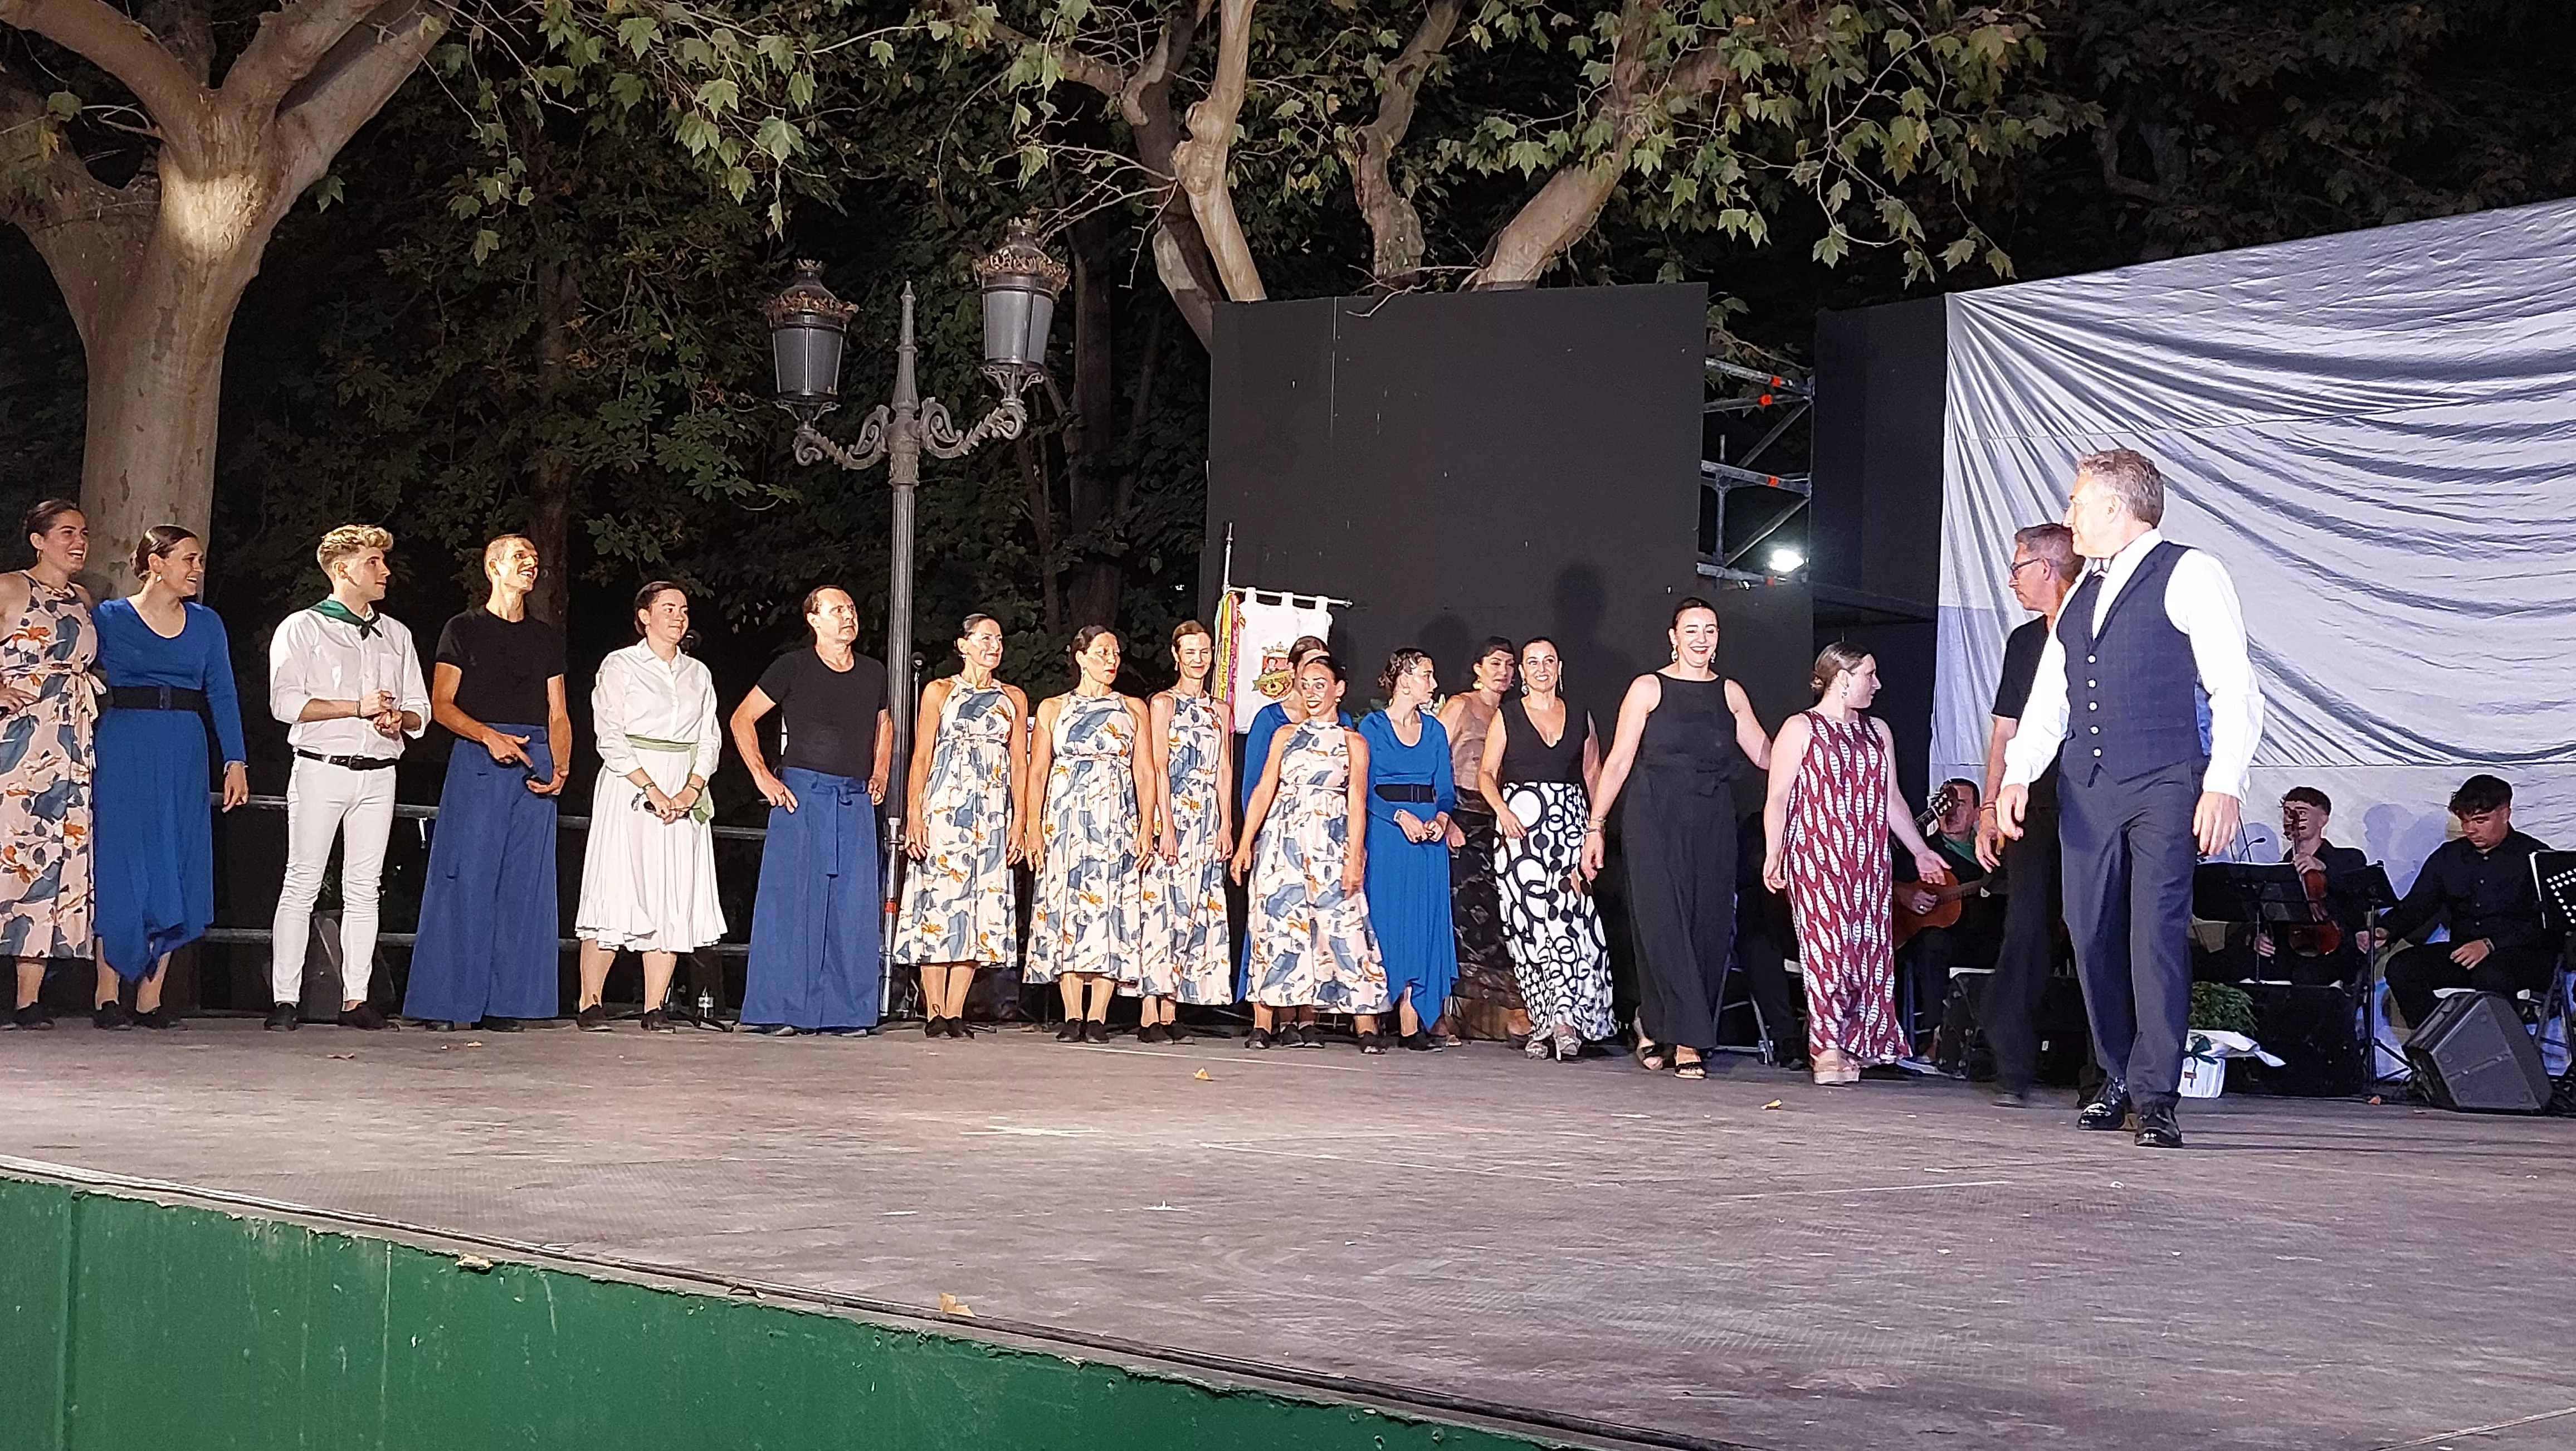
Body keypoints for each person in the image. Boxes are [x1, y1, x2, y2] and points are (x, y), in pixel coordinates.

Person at [1995, 448, 2265, 1150]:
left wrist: (2224, 782)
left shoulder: (2189, 571)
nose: (2069, 515)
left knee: (2155, 936)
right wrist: (2018, 773)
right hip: (2088, 786)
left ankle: (2155, 1093)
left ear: (2115, 507)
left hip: (2165, 780)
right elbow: (2049, 696)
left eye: (2077, 502)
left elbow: (2234, 687)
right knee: (2087, 934)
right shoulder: (2082, 588)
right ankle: (2114, 1073)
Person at [1582, 598, 1773, 1080]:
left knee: (1706, 925)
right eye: (1691, 630)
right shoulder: (1648, 687)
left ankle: (1668, 1024)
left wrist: (1813, 742)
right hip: (1653, 816)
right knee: (1661, 923)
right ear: (1673, 636)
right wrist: (1596, 826)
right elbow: (1620, 760)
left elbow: (1767, 754)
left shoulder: (1729, 693)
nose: (1701, 639)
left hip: (1711, 817)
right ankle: (1682, 1038)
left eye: (1709, 630)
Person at [265, 524, 429, 1032]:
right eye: (373, 563)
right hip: (322, 768)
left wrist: (397, 718)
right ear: (342, 570)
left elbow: (421, 711)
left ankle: (356, 998)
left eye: (383, 562)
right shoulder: (304, 627)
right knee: (303, 881)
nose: (384, 572)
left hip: (379, 773)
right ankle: (285, 998)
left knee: (365, 887)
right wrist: (356, 709)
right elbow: (285, 703)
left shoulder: (396, 634)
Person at [1763, 646, 1951, 1085]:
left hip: (1869, 860)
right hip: (1816, 856)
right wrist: (1775, 853)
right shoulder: (1800, 728)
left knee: (1865, 955)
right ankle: (1826, 1046)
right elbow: (1778, 797)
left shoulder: (1877, 731)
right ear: (1843, 678)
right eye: (1870, 674)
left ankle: (1858, 1042)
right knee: (1826, 950)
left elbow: (1891, 800)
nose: (1877, 684)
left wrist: (1920, 850)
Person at [405, 535, 571, 1030]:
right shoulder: (464, 629)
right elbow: (442, 705)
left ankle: (509, 1004)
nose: (531, 565)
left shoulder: (545, 637)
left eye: (535, 559)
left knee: (526, 885)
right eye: (520, 558)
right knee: (467, 876)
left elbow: (559, 710)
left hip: (537, 757)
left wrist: (561, 767)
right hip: (482, 755)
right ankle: (449, 1003)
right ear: (493, 568)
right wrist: (487, 736)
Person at [90, 525, 248, 1031]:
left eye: (199, 560)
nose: (197, 570)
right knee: (121, 859)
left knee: (174, 860)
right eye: (189, 559)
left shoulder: (207, 624)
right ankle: (107, 993)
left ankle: (151, 998)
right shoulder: (110, 618)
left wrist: (235, 761)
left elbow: (222, 693)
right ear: (155, 563)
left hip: (183, 745)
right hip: (124, 742)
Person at [731, 587, 893, 1036]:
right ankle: (779, 1010)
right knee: (791, 902)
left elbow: (884, 723)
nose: (848, 616)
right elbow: (743, 718)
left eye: (852, 608)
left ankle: (846, 1013)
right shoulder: (794, 666)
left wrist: (880, 772)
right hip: (802, 795)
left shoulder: (873, 672)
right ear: (814, 620)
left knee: (853, 905)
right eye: (837, 609)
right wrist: (763, 776)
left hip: (854, 798)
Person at [572, 582, 725, 1033]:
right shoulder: (620, 665)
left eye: (684, 609)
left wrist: (691, 788)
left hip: (683, 784)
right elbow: (610, 735)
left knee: (671, 889)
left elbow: (709, 736)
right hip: (632, 782)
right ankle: (590, 1000)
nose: (679, 617)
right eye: (668, 608)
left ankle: (655, 1005)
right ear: (645, 616)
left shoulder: (698, 674)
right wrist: (652, 789)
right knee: (618, 882)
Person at [1233, 654, 1392, 1051]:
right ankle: (1263, 1023)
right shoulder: (1285, 735)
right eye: (1305, 683)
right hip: (1282, 842)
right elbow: (1265, 788)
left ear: (1339, 689)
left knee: (1345, 929)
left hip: (1329, 842)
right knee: (1276, 927)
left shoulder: (1353, 741)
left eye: (1320, 683)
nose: (1311, 691)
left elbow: (1357, 801)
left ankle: (1365, 1024)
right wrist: (1245, 843)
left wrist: (1355, 855)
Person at [1975, 522, 2079, 1106]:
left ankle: (2105, 1072)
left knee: (2095, 932)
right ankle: (2011, 1066)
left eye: (2018, 567)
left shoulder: (2097, 627)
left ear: (2046, 568)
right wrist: (1990, 806)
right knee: (2025, 929)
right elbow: (2005, 731)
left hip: (2095, 806)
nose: (2011, 579)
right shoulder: (2022, 643)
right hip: (2031, 807)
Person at [1477, 635, 1613, 1063]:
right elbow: (1485, 772)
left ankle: (1569, 1020)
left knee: (1573, 926)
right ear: (1522, 670)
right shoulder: (1509, 715)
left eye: (1548, 661)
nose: (1540, 668)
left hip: (1570, 827)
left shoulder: (1579, 715)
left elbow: (1594, 772)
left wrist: (1598, 828)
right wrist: (1501, 809)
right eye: (1532, 662)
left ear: (1559, 666)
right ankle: (1546, 1021)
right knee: (1532, 930)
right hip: (1521, 834)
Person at [897, 614, 1030, 1039]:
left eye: (999, 638)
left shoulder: (1013, 698)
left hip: (992, 812)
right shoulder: (940, 691)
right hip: (945, 806)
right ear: (963, 643)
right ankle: (933, 1009)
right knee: (939, 905)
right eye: (985, 638)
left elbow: (1020, 765)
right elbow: (921, 755)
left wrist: (1021, 822)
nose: (994, 645)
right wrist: (915, 813)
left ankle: (954, 1010)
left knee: (978, 909)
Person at [1024, 625, 1152, 1040]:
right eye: (1102, 652)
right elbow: (1038, 770)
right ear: (1080, 657)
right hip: (1065, 819)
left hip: (1115, 819)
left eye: (1115, 653)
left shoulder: (1132, 708)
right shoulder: (1053, 708)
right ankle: (1071, 1014)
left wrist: (1147, 825)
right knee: (1066, 908)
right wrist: (1032, 826)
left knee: (1109, 911)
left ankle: (1098, 1014)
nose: (1111, 660)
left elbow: (1145, 771)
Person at [0, 500, 99, 1031]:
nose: (78, 541)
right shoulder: (10, 587)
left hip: (71, 745)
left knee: (51, 863)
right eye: (66, 532)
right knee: (8, 852)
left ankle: (28, 1000)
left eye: (83, 533)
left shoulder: (82, 599)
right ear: (38, 540)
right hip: (17, 744)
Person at [2379, 775, 2557, 1029]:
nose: (2470, 829)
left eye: (2480, 821)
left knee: (2492, 975)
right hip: (2465, 953)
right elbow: (2417, 906)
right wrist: (2386, 929)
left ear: (2505, 814)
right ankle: (2440, 1044)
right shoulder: (2448, 857)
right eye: (2465, 821)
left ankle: (2506, 1056)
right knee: (2402, 967)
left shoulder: (2536, 857)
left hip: (2523, 955)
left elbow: (2549, 924)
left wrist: (2490, 944)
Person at [1358, 650, 1458, 1050]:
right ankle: (1375, 1011)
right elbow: (1363, 789)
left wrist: (1441, 819)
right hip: (1388, 832)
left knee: (1424, 921)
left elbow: (1446, 791)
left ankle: (1411, 1019)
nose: (1433, 685)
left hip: (1427, 837)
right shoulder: (1373, 727)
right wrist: (1400, 817)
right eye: (1427, 676)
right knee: (1387, 919)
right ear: (1403, 680)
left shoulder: (1434, 730)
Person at [1140, 620, 1234, 1040]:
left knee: (1194, 910)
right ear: (1176, 655)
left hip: (1207, 818)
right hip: (1173, 810)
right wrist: (1166, 825)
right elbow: (1158, 766)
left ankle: (1171, 1010)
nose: (1199, 659)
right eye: (1190, 652)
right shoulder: (1163, 704)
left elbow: (1225, 769)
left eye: (1205, 651)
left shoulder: (1221, 710)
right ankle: (1148, 1012)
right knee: (1161, 909)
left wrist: (1226, 824)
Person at [1437, 639, 1526, 1043]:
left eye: (1510, 664)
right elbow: (1433, 759)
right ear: (1478, 668)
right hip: (1460, 815)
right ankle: (1438, 1014)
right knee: (1457, 917)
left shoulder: (1514, 713)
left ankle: (1515, 1011)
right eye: (1495, 663)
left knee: (1500, 916)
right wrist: (1443, 817)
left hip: (1499, 822)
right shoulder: (1461, 705)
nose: (1503, 671)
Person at [1894, 778, 1998, 1049]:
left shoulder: (1993, 854)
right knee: (1933, 941)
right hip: (1930, 945)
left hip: (1979, 940)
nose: (1951, 811)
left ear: (1978, 813)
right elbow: (1882, 878)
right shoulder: (1918, 849)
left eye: (1961, 804)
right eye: (1947, 804)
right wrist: (1904, 892)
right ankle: (1934, 1039)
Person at [2232, 786, 2372, 987]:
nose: (2293, 819)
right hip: (2287, 947)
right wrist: (2259, 935)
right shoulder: (2280, 868)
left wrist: (2323, 868)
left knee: (2308, 975)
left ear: (2323, 819)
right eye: (2289, 813)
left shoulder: (2348, 858)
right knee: (2236, 964)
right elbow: (2266, 913)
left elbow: (2354, 890)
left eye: (2302, 813)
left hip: (2333, 947)